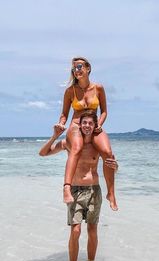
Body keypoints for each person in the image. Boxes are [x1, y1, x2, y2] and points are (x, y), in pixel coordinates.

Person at [39, 110, 118, 261]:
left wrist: (116, 167)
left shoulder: (98, 147)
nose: (87, 126)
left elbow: (111, 166)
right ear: (80, 125)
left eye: (90, 123)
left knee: (92, 230)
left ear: (95, 125)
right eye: (84, 123)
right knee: (75, 230)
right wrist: (55, 136)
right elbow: (43, 153)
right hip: (76, 191)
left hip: (94, 190)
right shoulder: (70, 144)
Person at [55, 56, 117, 211]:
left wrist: (99, 125)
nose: (76, 70)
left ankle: (111, 193)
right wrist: (61, 124)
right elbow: (64, 114)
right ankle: (67, 188)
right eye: (74, 68)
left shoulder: (98, 88)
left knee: (108, 153)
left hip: (93, 125)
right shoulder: (70, 91)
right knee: (76, 149)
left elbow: (104, 112)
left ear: (88, 68)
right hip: (76, 125)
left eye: (79, 66)